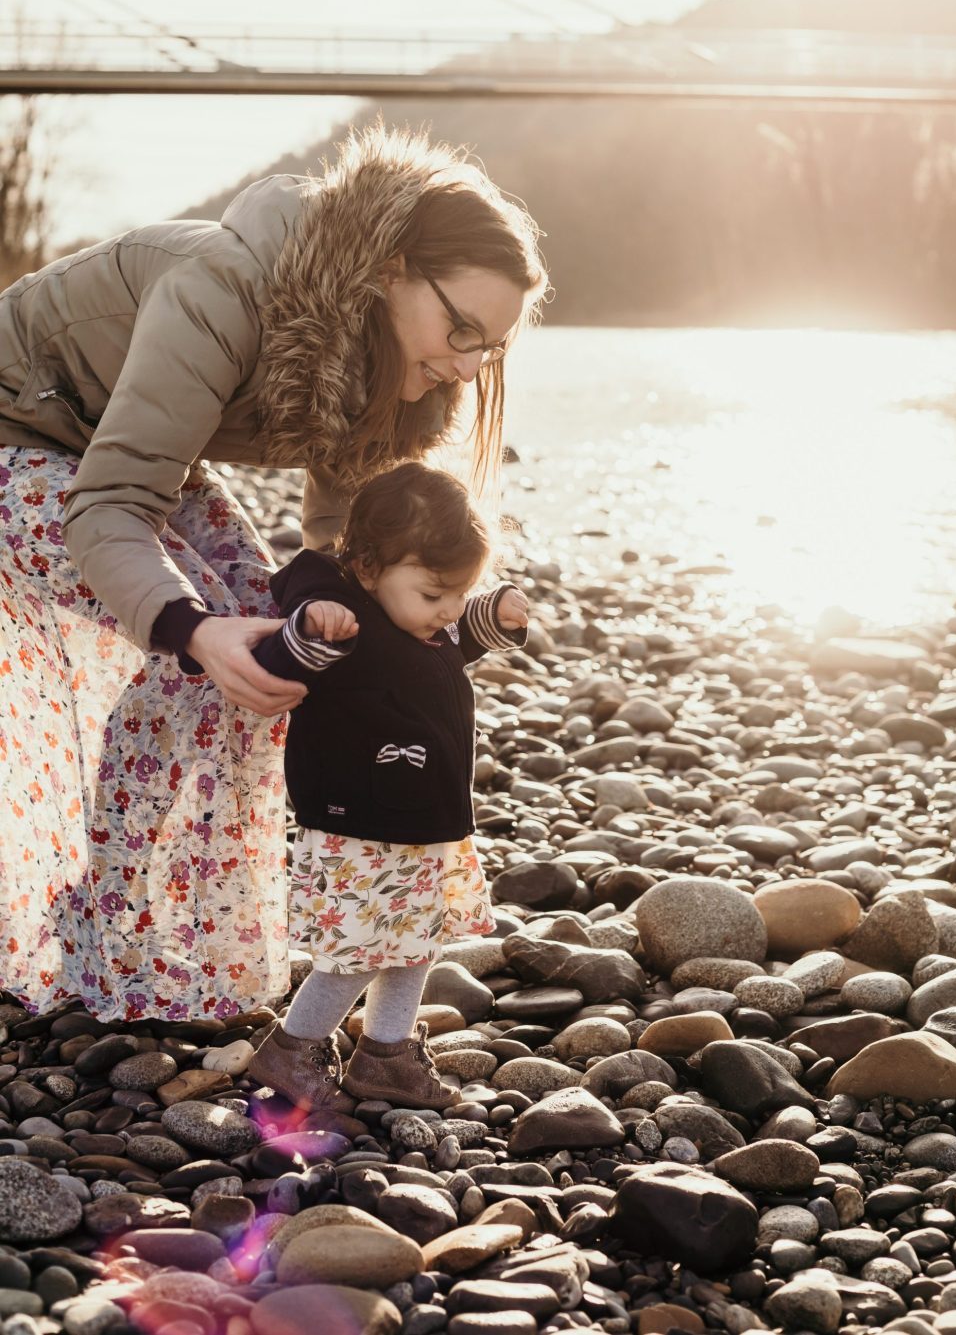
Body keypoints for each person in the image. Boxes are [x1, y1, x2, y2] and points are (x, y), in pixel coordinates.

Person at [0, 122, 547, 1022]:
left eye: (489, 347)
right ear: (390, 268)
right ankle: (107, 920)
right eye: (458, 329)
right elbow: (110, 506)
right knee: (204, 643)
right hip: (24, 433)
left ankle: (131, 897)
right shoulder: (223, 292)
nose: (465, 364)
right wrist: (188, 628)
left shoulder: (412, 365)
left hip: (120, 449)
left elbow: (345, 550)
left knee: (278, 641)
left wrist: (446, 620)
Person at [246, 461, 528, 1115]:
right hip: (362, 829)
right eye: (435, 593)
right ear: (368, 568)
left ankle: (387, 1054)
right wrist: (310, 622)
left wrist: (495, 613)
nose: (448, 609)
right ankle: (293, 1047)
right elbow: (281, 661)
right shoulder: (343, 626)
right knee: (357, 951)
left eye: (461, 592)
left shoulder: (423, 624)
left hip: (426, 827)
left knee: (417, 941)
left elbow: (461, 638)